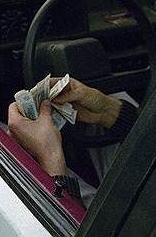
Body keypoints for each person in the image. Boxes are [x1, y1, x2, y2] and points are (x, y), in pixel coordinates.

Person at [7, 76, 138, 206]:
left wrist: (50, 158)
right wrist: (109, 112)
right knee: (117, 95)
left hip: (109, 217)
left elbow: (73, 222)